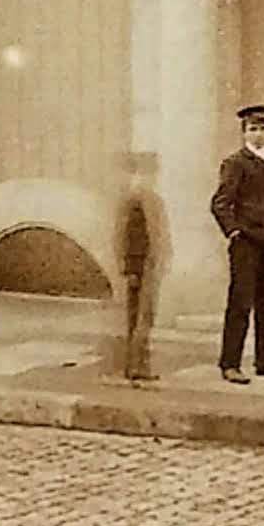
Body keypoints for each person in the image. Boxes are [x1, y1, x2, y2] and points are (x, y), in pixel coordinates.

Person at [210, 102, 264, 385]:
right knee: (241, 302)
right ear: (244, 133)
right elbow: (220, 204)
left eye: (262, 129)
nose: (257, 134)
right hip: (247, 243)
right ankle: (230, 364)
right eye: (252, 129)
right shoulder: (235, 163)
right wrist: (235, 232)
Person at [115, 151, 170, 382]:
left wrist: (165, 256)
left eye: (150, 173)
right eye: (142, 172)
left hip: (152, 264)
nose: (147, 177)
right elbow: (126, 237)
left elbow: (160, 233)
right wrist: (130, 269)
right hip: (140, 266)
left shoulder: (153, 199)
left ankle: (139, 364)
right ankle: (135, 365)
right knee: (138, 317)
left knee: (146, 316)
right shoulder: (133, 200)